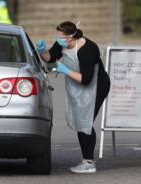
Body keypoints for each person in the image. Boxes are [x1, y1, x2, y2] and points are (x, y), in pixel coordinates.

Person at [36, 21, 110, 173]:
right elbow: (50, 58)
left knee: (85, 121)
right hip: (77, 85)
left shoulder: (87, 49)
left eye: (62, 36)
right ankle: (86, 160)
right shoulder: (62, 43)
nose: (59, 39)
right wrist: (42, 51)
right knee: (79, 119)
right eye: (58, 36)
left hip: (96, 85)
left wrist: (64, 69)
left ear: (71, 37)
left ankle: (89, 163)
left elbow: (86, 79)